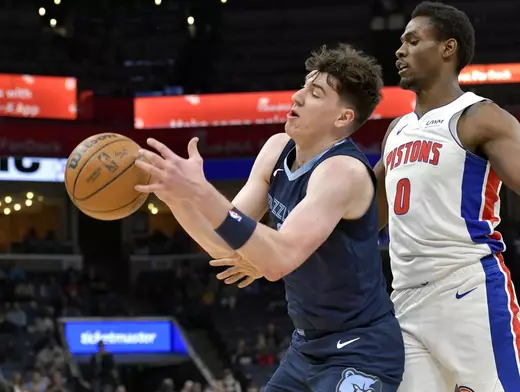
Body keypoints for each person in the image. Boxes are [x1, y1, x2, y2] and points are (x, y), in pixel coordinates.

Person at [134, 44, 405, 391]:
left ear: (342, 118)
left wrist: (201, 192)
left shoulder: (343, 172)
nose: (298, 96)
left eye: (315, 93)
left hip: (360, 350)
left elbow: (278, 259)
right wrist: (177, 197)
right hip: (306, 349)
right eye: (304, 86)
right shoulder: (277, 148)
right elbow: (223, 245)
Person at [373, 2, 520, 392]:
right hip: (405, 302)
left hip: (466, 291)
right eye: (400, 43)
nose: (400, 51)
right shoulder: (396, 130)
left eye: (413, 41)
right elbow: (364, 217)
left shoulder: (479, 116)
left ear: (448, 48)